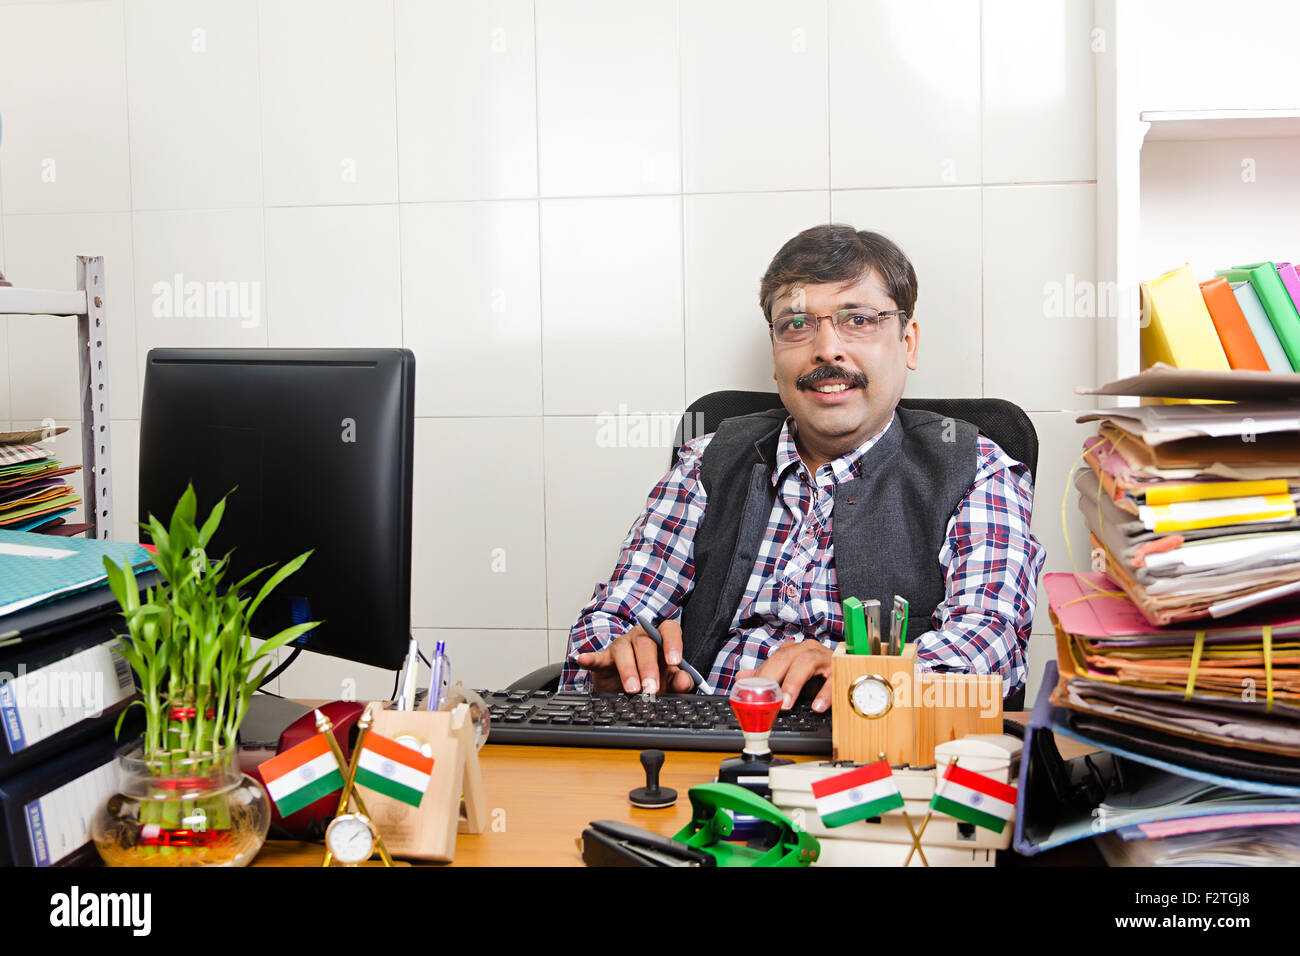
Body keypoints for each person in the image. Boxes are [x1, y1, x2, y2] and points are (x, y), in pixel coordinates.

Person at [559, 223, 1046, 712]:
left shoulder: (976, 468)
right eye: (797, 324)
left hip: (868, 753)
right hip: (696, 744)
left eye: (858, 319)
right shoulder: (706, 461)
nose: (827, 350)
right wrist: (620, 662)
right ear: (775, 355)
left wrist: (860, 673)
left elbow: (991, 649)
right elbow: (610, 619)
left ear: (909, 343)